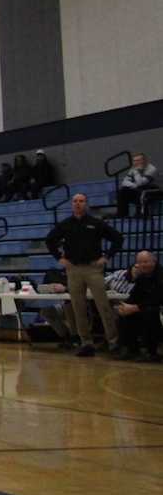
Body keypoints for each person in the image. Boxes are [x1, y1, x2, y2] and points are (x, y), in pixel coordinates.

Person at [45, 192, 124, 357]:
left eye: (81, 201)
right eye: (75, 201)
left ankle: (113, 342)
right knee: (78, 307)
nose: (78, 203)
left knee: (103, 306)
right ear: (72, 204)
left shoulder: (96, 223)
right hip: (73, 269)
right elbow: (50, 240)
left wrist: (107, 257)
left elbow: (117, 238)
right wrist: (60, 258)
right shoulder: (65, 224)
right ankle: (86, 343)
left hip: (93, 268)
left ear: (86, 204)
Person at [114, 251, 161, 362]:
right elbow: (134, 296)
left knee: (150, 312)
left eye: (145, 262)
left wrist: (135, 308)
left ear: (153, 261)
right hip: (144, 307)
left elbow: (157, 300)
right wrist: (125, 306)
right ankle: (129, 349)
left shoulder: (160, 276)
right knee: (124, 314)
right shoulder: (141, 278)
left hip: (157, 310)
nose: (142, 265)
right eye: (139, 262)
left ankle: (150, 352)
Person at [118, 153, 159, 219]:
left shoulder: (152, 169)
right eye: (134, 161)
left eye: (138, 160)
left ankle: (141, 214)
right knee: (123, 191)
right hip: (138, 189)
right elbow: (124, 182)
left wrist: (136, 172)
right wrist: (134, 185)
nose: (136, 162)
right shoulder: (133, 169)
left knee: (141, 191)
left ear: (144, 160)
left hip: (152, 190)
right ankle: (122, 215)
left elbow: (141, 182)